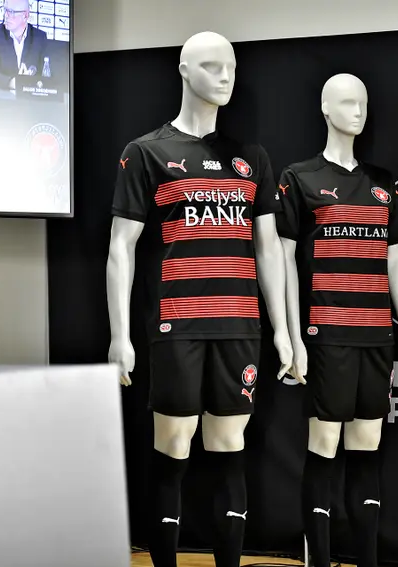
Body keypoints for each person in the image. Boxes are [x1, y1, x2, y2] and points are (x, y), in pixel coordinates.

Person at [106, 32, 292, 567]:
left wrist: (282, 329)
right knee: (174, 442)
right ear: (184, 71)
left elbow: (268, 249)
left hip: (240, 325)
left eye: (231, 65)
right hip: (177, 325)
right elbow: (121, 247)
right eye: (212, 65)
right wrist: (120, 336)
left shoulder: (251, 158)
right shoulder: (147, 152)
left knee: (230, 444)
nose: (225, 75)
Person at [276, 73, 398, 567]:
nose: (358, 110)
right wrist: (293, 337)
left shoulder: (382, 182)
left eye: (363, 102)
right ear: (324, 108)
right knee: (324, 445)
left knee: (367, 447)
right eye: (347, 101)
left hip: (376, 335)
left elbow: (395, 257)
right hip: (327, 335)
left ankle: (367, 561)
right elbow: (284, 259)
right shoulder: (300, 178)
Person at [0, 0, 49, 89]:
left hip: (30, 95)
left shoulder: (39, 37)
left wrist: (31, 81)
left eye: (11, 12)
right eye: (5, 10)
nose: (6, 15)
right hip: (4, 95)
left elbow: (46, 75)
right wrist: (12, 83)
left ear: (25, 15)